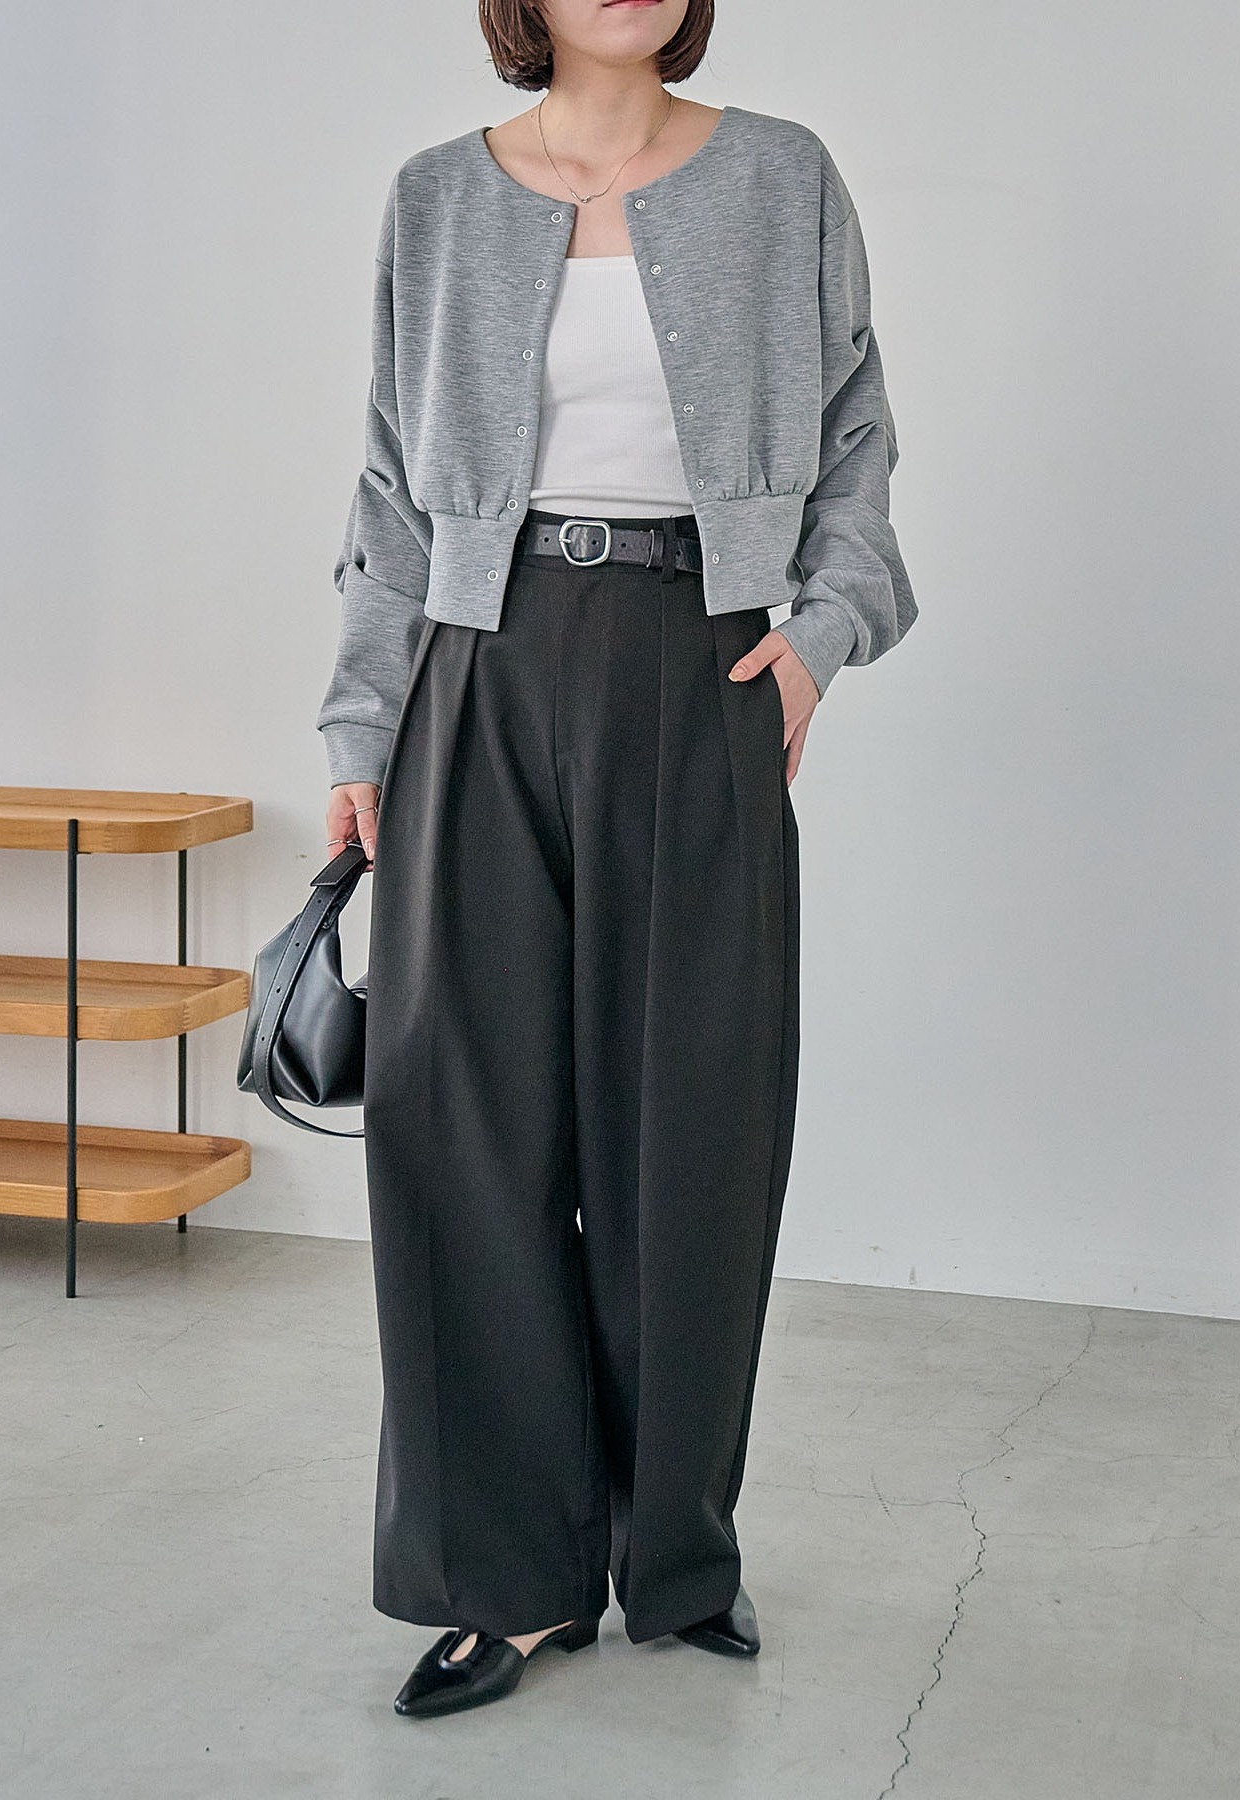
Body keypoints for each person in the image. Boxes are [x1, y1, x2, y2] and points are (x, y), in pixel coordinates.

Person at [315, 0, 916, 1720]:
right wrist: (362, 730)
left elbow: (859, 439)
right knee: (468, 1130)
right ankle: (503, 1579)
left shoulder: (780, 178)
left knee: (693, 1126)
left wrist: (816, 640)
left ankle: (675, 1552)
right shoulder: (439, 196)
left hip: (698, 661)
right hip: (477, 670)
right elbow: (388, 490)